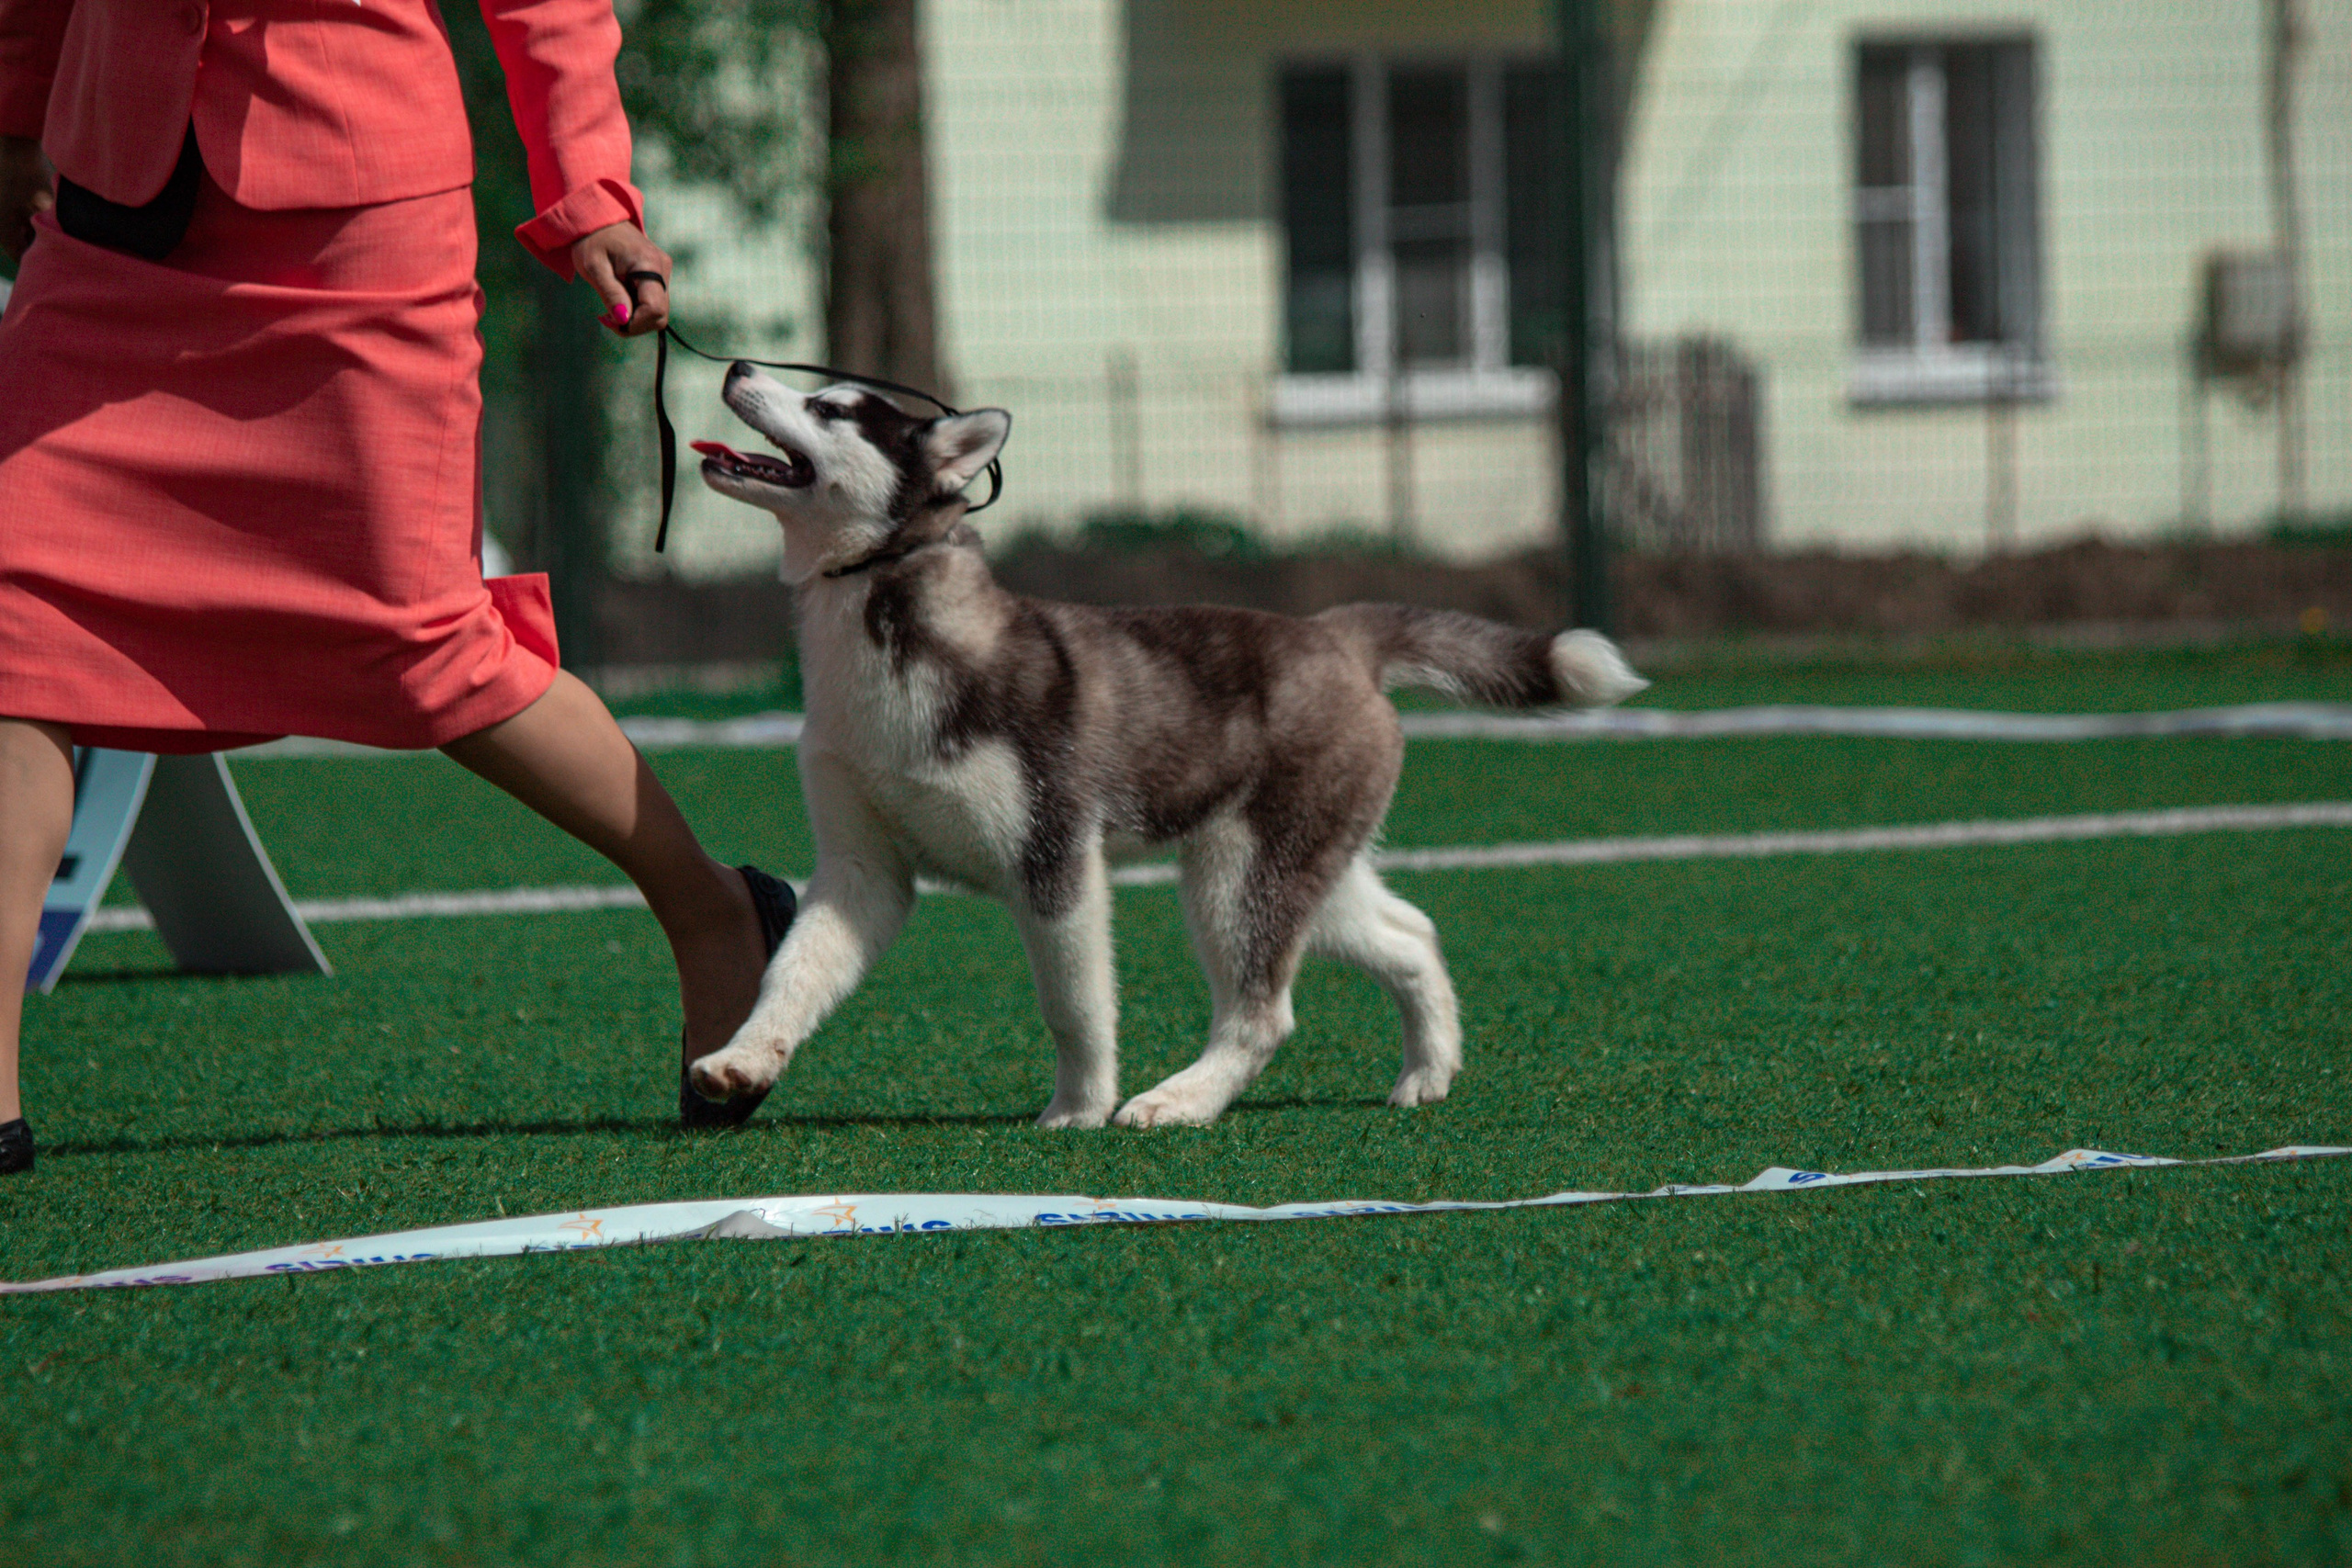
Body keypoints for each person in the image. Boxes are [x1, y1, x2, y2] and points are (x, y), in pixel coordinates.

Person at [0, 0, 788, 1175]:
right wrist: (17, 118)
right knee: (19, 620)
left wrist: (594, 199)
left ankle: (711, 907)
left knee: (420, 642)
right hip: (112, 215)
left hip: (355, 231)